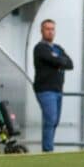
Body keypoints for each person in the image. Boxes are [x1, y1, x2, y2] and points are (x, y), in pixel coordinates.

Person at [33, 19, 73, 152]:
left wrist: (58, 61)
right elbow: (52, 59)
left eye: (52, 29)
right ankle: (48, 150)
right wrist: (60, 61)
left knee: (55, 121)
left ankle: (49, 147)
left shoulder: (58, 48)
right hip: (45, 89)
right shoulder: (40, 48)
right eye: (47, 29)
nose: (50, 32)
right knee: (50, 119)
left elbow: (70, 64)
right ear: (42, 31)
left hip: (57, 89)